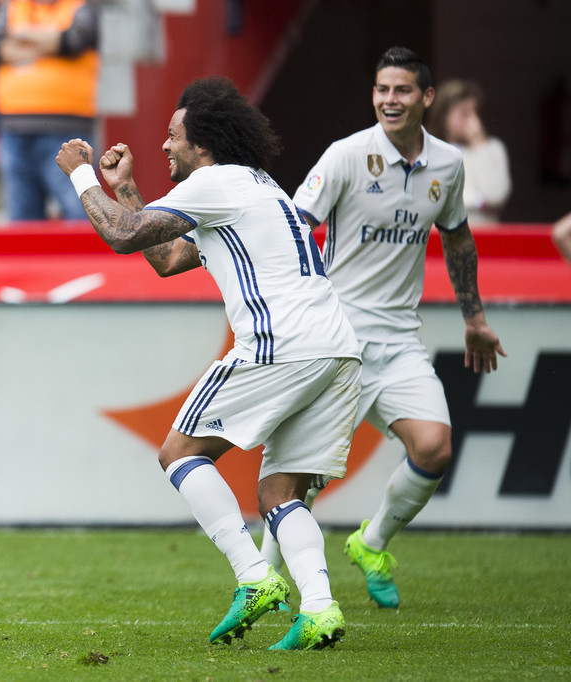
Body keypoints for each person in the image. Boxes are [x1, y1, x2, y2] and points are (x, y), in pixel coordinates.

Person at [56, 75, 361, 651]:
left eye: (173, 136)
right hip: (336, 349)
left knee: (178, 453)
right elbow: (169, 258)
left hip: (282, 344)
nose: (164, 146)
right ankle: (320, 608)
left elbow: (122, 238)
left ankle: (254, 578)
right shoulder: (257, 186)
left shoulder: (215, 183)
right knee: (279, 492)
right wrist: (127, 189)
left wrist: (81, 173)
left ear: (204, 143)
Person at [259, 47, 506, 609]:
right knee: (302, 479)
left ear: (426, 97)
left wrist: (474, 318)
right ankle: (261, 583)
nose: (388, 100)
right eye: (380, 90)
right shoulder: (346, 156)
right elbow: (297, 229)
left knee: (436, 447)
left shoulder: (447, 165)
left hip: (397, 341)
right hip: (336, 340)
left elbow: (458, 237)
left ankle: (371, 543)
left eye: (400, 91)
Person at [0, 0, 99, 220]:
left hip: (68, 129)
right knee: (22, 221)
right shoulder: (11, 7)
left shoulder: (82, 6)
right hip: (12, 128)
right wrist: (49, 42)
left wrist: (20, 37)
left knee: (80, 213)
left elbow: (73, 41)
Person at [425, 79, 511, 225]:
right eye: (464, 113)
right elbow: (430, 202)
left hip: (484, 238)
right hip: (441, 240)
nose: (474, 121)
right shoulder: (428, 152)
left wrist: (479, 144)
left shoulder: (493, 149)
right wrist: (478, 202)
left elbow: (495, 196)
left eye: (475, 112)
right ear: (444, 117)